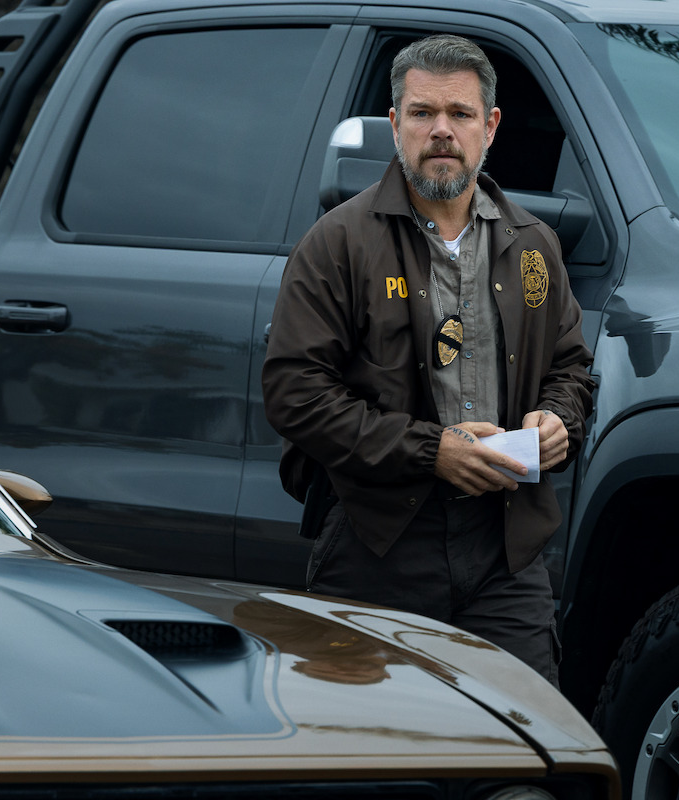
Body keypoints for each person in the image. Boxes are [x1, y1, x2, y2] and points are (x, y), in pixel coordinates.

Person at [261, 34, 594, 685]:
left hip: (506, 549)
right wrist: (430, 451)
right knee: (371, 753)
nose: (441, 131)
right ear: (394, 124)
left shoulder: (535, 244)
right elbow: (294, 392)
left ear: (490, 126)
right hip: (377, 542)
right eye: (422, 113)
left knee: (527, 748)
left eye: (460, 114)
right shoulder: (338, 243)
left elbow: (571, 369)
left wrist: (557, 420)